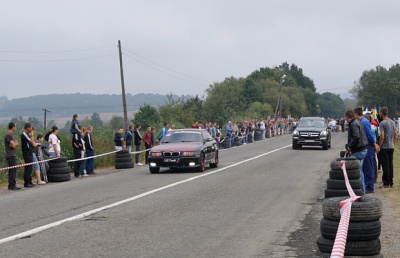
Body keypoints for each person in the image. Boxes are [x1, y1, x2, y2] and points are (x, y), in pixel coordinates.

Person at [354, 107, 380, 193]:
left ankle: (369, 186)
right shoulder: (363, 121)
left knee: (368, 166)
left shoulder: (363, 122)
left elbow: (369, 134)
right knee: (366, 167)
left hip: (369, 146)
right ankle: (367, 184)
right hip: (367, 145)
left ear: (356, 114)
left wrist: (374, 144)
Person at [345, 109, 368, 194]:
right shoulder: (357, 122)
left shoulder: (354, 124)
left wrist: (350, 146)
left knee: (356, 170)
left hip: (359, 150)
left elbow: (356, 137)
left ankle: (360, 190)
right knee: (360, 170)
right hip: (363, 149)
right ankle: (361, 190)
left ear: (347, 117)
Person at [378, 107, 398, 188]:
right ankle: (391, 181)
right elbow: (396, 134)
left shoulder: (382, 123)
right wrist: (394, 143)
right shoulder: (393, 122)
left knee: (385, 165)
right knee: (390, 164)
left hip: (385, 146)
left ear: (382, 113)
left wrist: (379, 146)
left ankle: (386, 183)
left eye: (380, 112)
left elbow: (382, 136)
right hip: (391, 146)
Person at [4, 122, 21, 190]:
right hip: (10, 155)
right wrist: (14, 144)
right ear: (13, 127)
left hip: (11, 154)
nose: (16, 128)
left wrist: (14, 144)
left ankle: (11, 184)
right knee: (13, 170)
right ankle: (12, 185)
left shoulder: (11, 135)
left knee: (12, 170)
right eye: (15, 126)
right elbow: (13, 145)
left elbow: (16, 143)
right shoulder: (9, 135)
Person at [20, 123, 37, 187]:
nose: (31, 129)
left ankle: (30, 181)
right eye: (30, 128)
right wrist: (32, 134)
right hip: (26, 152)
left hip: (29, 152)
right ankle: (26, 182)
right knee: (28, 167)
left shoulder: (27, 134)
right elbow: (31, 141)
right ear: (27, 128)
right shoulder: (24, 134)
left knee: (30, 167)